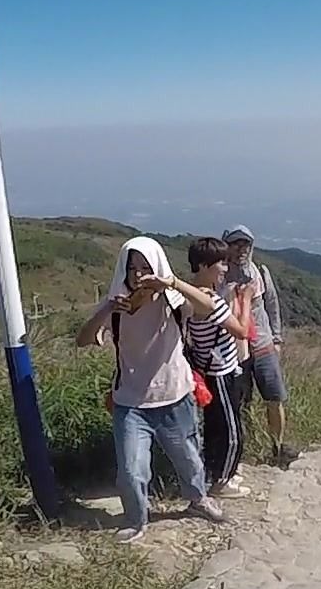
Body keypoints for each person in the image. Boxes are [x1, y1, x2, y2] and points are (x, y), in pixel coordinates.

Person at [76, 237, 225, 542]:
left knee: (189, 457)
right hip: (130, 401)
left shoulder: (172, 300)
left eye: (147, 268)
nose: (140, 275)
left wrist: (171, 282)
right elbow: (84, 339)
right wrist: (106, 309)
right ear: (124, 271)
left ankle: (198, 500)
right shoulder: (116, 305)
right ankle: (135, 519)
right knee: (132, 468)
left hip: (175, 395)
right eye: (134, 269)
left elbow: (207, 306)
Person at [220, 226, 296, 468]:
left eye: (245, 244)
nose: (241, 249)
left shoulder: (260, 272)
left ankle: (277, 447)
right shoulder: (219, 276)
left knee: (274, 398)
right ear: (226, 246)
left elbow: (272, 305)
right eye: (235, 244)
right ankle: (243, 448)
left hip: (263, 346)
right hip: (234, 350)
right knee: (240, 402)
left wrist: (276, 338)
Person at [185, 237, 253, 497]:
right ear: (203, 266)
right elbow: (242, 331)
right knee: (231, 429)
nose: (224, 268)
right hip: (220, 371)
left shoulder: (193, 295)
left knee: (214, 427)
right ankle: (223, 481)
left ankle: (219, 472)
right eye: (220, 263)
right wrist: (245, 300)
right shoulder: (209, 301)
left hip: (207, 369)